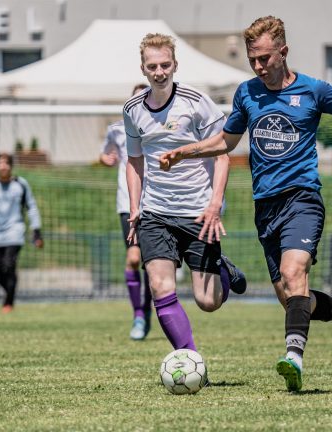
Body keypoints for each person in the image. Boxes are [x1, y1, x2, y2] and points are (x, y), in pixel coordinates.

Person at [160, 16, 332, 392]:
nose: (259, 66)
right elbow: (227, 142)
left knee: (295, 274)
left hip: (303, 198)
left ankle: (293, 358)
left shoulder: (313, 91)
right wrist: (186, 152)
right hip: (265, 207)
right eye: (253, 60)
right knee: (292, 297)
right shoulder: (247, 93)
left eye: (265, 58)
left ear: (284, 51)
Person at [123, 33, 246, 352]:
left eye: (165, 64)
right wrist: (135, 208)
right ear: (143, 69)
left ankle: (224, 269)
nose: (159, 71)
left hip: (198, 212)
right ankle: (188, 359)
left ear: (175, 64)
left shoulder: (196, 102)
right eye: (153, 66)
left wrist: (215, 204)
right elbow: (135, 160)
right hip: (155, 213)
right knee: (160, 286)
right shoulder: (133, 110)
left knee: (208, 301)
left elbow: (221, 155)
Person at [101, 83, 154, 341]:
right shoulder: (116, 128)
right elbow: (106, 152)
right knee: (134, 259)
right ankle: (139, 315)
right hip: (128, 203)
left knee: (153, 266)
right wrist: (106, 159)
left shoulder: (158, 126)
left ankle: (148, 311)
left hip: (157, 202)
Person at [0, 153, 43, 313]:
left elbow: (31, 207)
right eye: (0, 163)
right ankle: (9, 292)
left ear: (11, 166)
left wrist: (37, 231)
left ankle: (8, 302)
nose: (3, 166)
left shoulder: (21, 184)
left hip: (15, 231)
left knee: (8, 266)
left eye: (6, 163)